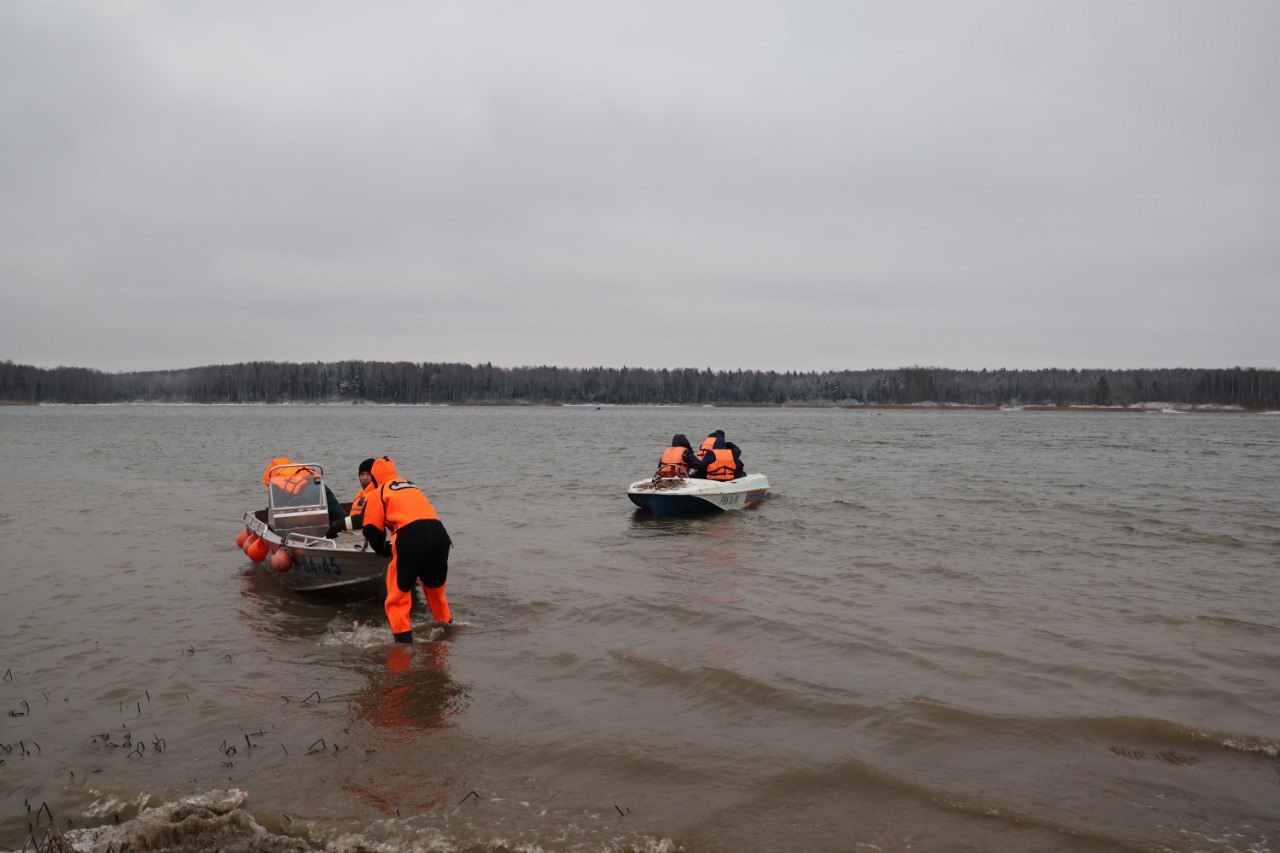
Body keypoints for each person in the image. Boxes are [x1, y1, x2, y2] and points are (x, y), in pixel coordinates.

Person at [360, 456, 453, 643]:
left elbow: (371, 529)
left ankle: (402, 643)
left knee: (398, 595)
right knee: (435, 591)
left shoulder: (379, 492)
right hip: (440, 536)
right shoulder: (411, 486)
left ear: (375, 477)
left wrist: (383, 549)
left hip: (411, 539)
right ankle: (447, 631)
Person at [262, 457, 344, 522]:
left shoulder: (276, 481)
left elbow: (279, 508)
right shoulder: (295, 467)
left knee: (304, 523)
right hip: (320, 487)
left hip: (306, 495)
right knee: (341, 518)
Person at [327, 458, 376, 537]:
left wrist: (339, 525)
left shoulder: (376, 494)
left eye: (368, 474)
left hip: (366, 534)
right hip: (357, 532)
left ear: (375, 476)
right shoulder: (362, 494)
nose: (364, 478)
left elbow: (364, 519)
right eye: (362, 474)